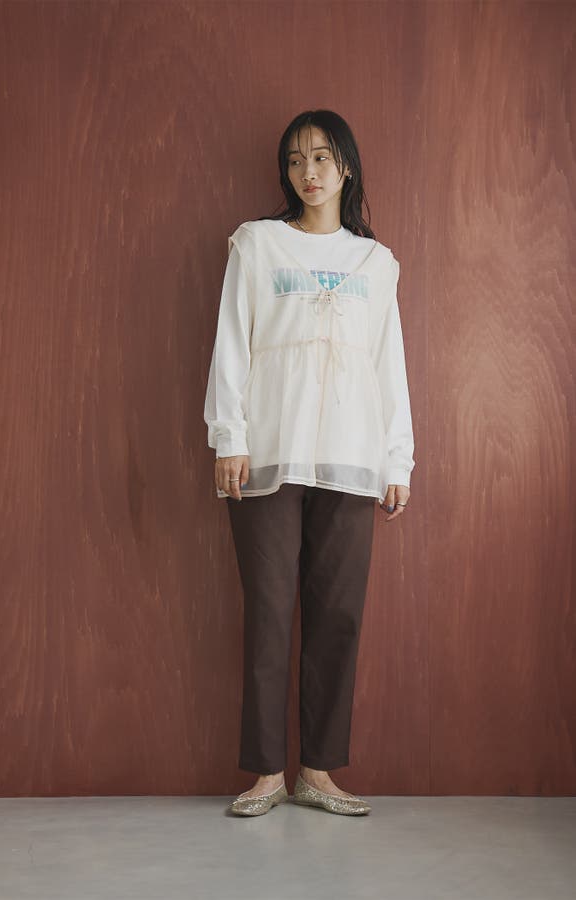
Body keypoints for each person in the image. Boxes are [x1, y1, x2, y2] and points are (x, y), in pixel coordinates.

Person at [203, 109, 415, 817]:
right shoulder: (257, 245)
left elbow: (388, 364)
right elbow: (232, 342)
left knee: (338, 615)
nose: (308, 172)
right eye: (295, 161)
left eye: (322, 158)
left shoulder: (375, 263)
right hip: (268, 453)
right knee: (269, 612)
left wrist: (397, 458)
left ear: (345, 166)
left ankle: (317, 772)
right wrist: (228, 435)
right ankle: (267, 771)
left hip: (352, 458)